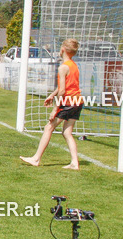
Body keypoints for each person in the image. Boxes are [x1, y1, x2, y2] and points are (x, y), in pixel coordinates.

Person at [21, 39, 82, 170]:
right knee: (67, 133)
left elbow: (62, 90)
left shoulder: (63, 67)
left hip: (68, 102)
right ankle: (74, 163)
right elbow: (65, 86)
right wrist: (51, 95)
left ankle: (36, 159)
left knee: (49, 127)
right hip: (77, 101)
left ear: (63, 50)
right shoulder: (73, 65)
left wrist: (55, 109)